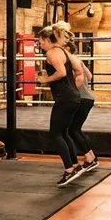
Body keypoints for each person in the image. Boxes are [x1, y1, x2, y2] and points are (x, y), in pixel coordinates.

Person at [36, 23, 86, 186]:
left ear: (46, 39)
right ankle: (75, 166)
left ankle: (69, 170)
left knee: (55, 134)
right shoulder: (63, 51)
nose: (40, 44)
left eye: (40, 41)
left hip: (65, 98)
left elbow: (62, 73)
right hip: (73, 97)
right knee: (63, 133)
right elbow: (78, 68)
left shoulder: (51, 52)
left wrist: (45, 79)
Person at [55, 22, 99, 172]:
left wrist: (70, 91)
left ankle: (89, 158)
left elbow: (80, 79)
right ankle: (91, 157)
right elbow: (90, 76)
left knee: (73, 130)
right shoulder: (77, 60)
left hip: (82, 98)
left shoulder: (71, 61)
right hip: (87, 97)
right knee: (75, 129)